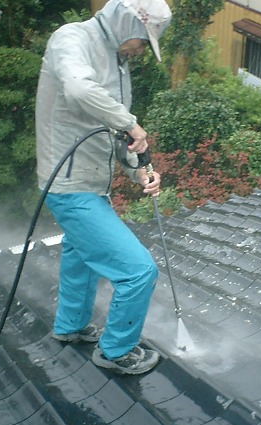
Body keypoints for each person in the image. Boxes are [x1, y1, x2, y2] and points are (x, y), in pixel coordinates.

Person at [35, 0, 172, 375]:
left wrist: (138, 171)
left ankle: (71, 326)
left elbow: (114, 134)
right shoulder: (72, 39)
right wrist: (130, 123)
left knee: (80, 253)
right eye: (142, 42)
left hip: (91, 184)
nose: (141, 51)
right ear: (128, 24)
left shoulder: (118, 63)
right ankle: (116, 351)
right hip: (69, 185)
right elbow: (79, 90)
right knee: (138, 271)